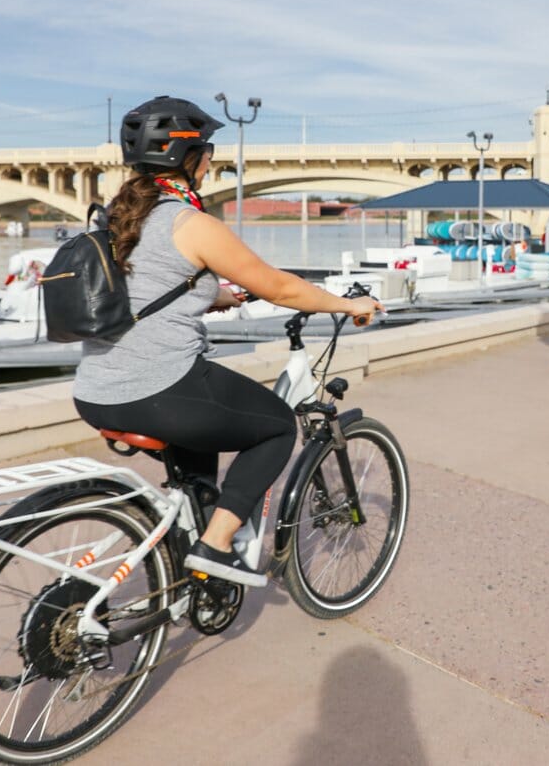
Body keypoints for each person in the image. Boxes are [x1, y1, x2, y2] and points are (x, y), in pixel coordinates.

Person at [72, 96, 382, 587]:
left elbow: (143, 284)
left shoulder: (116, 218)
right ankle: (215, 549)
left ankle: (183, 570)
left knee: (201, 461)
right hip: (156, 391)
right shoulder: (190, 222)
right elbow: (280, 288)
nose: (212, 159)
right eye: (207, 149)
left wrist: (212, 295)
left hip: (95, 392)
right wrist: (348, 305)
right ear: (185, 156)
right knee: (277, 426)